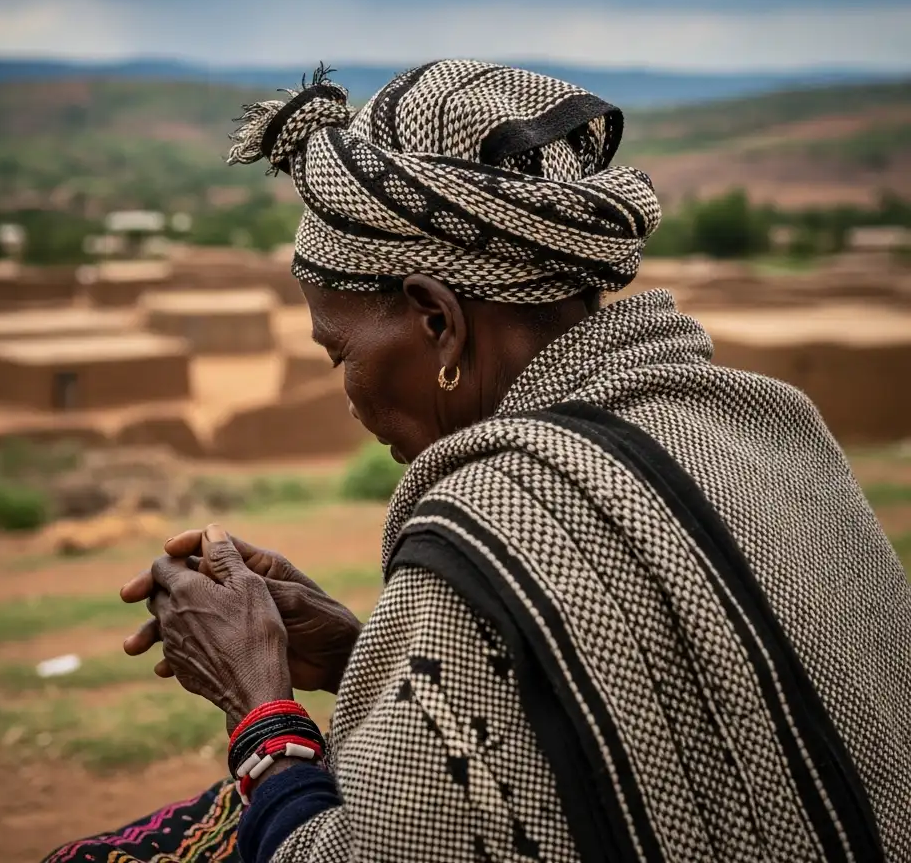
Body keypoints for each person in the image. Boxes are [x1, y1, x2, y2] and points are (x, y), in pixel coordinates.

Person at [44, 61, 911, 863]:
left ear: (436, 320)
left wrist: (259, 704)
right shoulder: (768, 421)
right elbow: (669, 716)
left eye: (338, 351)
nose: (346, 392)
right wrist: (367, 657)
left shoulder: (493, 523)